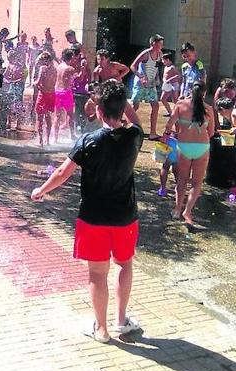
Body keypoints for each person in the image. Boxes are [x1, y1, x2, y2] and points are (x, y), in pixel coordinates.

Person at [31, 80, 143, 343]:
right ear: (123, 107)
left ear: (100, 112)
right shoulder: (135, 137)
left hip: (93, 219)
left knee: (97, 274)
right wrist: (119, 99)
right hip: (125, 217)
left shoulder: (88, 141)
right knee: (125, 264)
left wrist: (42, 190)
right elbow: (134, 119)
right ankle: (121, 320)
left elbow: (62, 173)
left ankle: (101, 330)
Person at [163, 81, 214, 227]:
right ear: (204, 93)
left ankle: (177, 210)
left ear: (191, 91)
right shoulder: (209, 109)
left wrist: (167, 133)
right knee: (197, 183)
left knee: (181, 180)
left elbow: (169, 124)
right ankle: (188, 211)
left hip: (184, 146)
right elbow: (211, 132)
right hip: (202, 147)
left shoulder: (180, 105)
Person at [130, 34, 164, 140]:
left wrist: (158, 78)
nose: (160, 45)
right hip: (140, 84)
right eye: (158, 43)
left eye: (161, 43)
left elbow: (157, 67)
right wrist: (141, 77)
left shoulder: (160, 54)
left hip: (151, 84)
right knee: (135, 106)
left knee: (155, 106)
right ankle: (125, 127)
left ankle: (153, 133)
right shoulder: (146, 54)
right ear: (153, 43)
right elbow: (133, 66)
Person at [54, 48, 84, 142]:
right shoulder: (70, 68)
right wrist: (83, 69)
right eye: (73, 57)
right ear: (70, 58)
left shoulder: (59, 66)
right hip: (66, 92)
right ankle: (71, 135)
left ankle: (55, 138)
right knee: (70, 114)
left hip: (57, 91)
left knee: (57, 116)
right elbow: (79, 79)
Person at [0, 49, 27, 132]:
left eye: (10, 58)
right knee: (9, 104)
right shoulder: (9, 65)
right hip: (11, 87)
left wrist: (14, 81)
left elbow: (23, 78)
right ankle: (9, 122)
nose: (9, 60)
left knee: (18, 105)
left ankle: (18, 123)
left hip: (18, 87)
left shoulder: (21, 66)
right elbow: (4, 76)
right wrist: (6, 80)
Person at [34, 51, 57, 146]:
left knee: (39, 118)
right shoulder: (55, 69)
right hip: (51, 94)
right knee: (48, 118)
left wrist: (33, 82)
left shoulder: (43, 68)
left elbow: (38, 82)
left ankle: (40, 140)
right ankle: (47, 140)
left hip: (43, 95)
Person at [160, 52, 180, 117]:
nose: (162, 61)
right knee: (162, 99)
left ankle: (178, 113)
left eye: (163, 60)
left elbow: (178, 75)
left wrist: (170, 79)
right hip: (167, 85)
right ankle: (170, 112)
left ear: (168, 60)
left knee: (175, 100)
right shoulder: (166, 67)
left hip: (174, 84)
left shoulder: (172, 67)